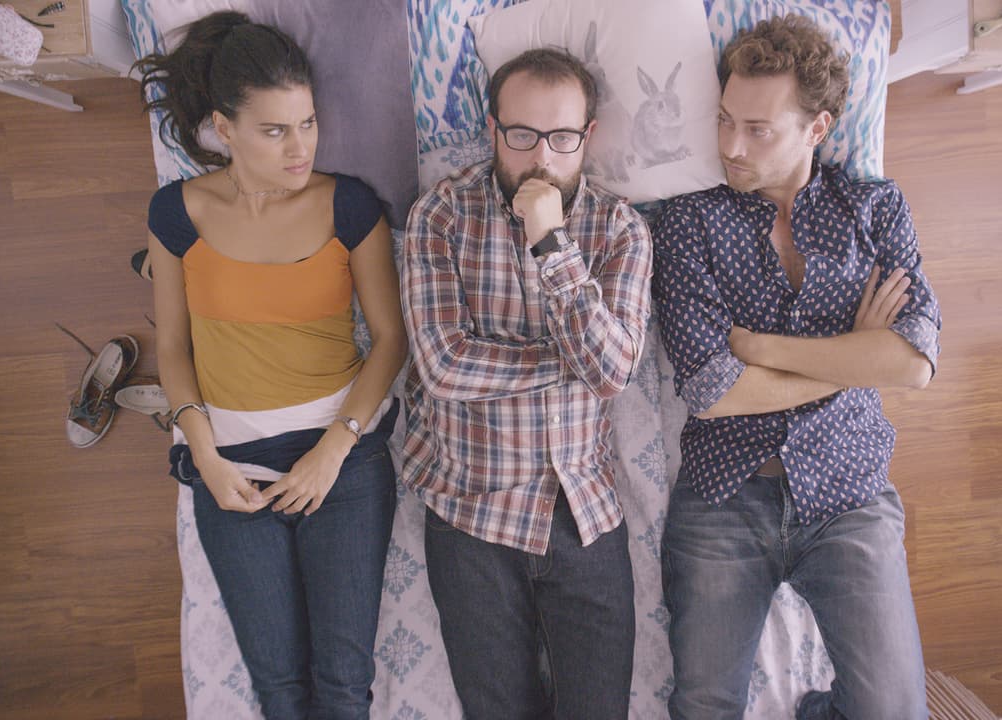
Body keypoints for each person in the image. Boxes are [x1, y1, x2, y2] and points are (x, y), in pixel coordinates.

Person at [652, 15, 942, 720]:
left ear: (818, 128)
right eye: (725, 121)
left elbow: (912, 363)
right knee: (702, 708)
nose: (730, 146)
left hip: (850, 493)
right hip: (725, 492)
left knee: (893, 712)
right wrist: (856, 356)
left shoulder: (874, 209)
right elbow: (713, 392)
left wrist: (762, 347)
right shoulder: (688, 222)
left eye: (758, 130)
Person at [137, 12, 407, 719]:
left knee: (342, 687)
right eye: (275, 130)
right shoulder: (176, 214)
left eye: (308, 123)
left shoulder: (349, 205)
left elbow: (390, 340)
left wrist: (333, 450)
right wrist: (206, 458)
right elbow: (173, 348)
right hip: (230, 469)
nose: (300, 147)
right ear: (224, 129)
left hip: (341, 466)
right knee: (279, 692)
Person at [399, 48, 652, 720]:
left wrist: (551, 243)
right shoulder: (441, 215)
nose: (542, 158)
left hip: (584, 513)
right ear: (492, 129)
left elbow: (613, 374)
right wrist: (571, 361)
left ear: (588, 136)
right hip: (470, 511)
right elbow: (444, 365)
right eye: (521, 135)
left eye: (562, 137)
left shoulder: (620, 229)